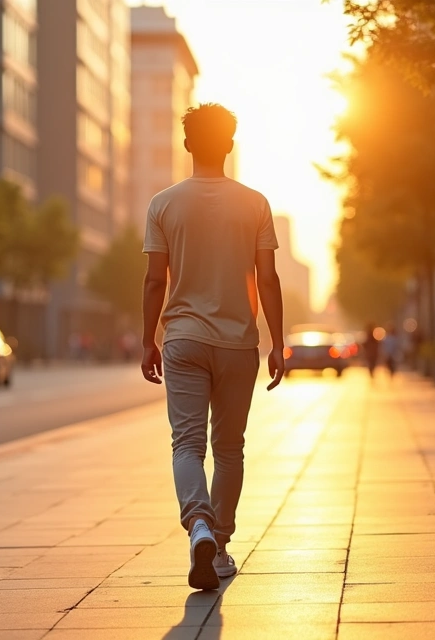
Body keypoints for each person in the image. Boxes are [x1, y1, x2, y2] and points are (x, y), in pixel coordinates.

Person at [141, 103, 285, 591]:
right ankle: (219, 546)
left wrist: (149, 340)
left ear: (187, 144)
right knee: (229, 448)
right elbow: (267, 278)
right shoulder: (255, 203)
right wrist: (278, 343)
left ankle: (198, 524)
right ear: (229, 144)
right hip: (238, 342)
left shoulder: (163, 204)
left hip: (182, 339)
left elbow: (153, 281)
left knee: (186, 443)